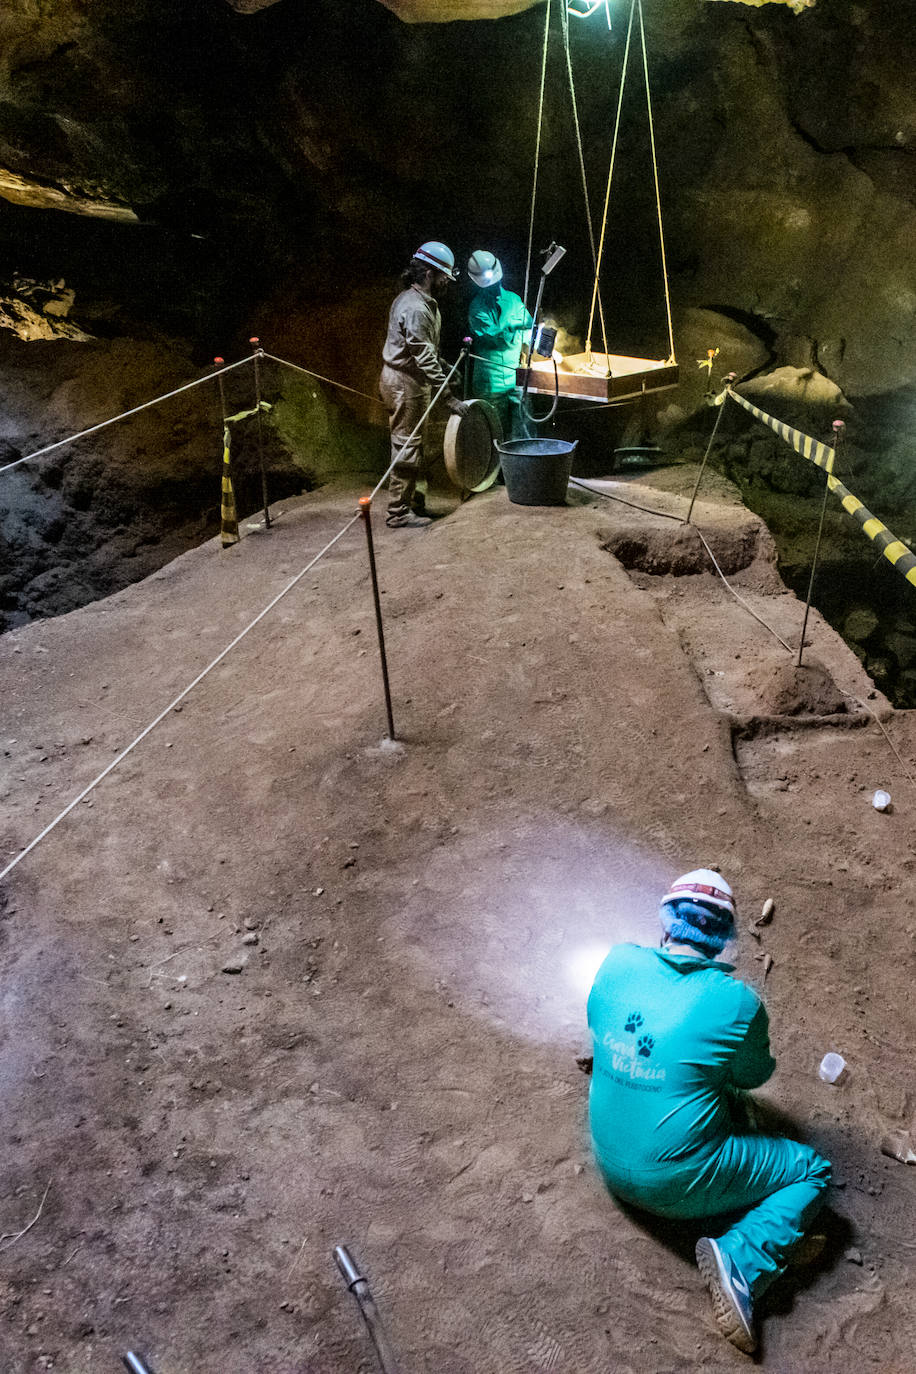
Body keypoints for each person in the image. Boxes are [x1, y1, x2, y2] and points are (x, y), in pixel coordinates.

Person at [586, 868, 831, 1355]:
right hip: (671, 1182)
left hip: (608, 1157)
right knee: (812, 1172)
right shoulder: (736, 1002)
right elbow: (751, 1077)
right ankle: (740, 1258)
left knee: (687, 1080)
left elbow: (597, 1024)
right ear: (723, 939)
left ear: (665, 921)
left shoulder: (616, 962)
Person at [379, 241, 468, 529]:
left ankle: (412, 502)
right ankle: (398, 512)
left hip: (410, 380)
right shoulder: (416, 308)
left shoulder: (414, 300)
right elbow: (423, 357)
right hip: (405, 383)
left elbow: (425, 351)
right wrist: (448, 396)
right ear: (429, 273)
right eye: (443, 275)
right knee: (407, 445)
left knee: (414, 444)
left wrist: (443, 368)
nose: (446, 281)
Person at [466, 250, 534, 441]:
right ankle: (497, 470)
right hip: (490, 384)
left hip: (516, 378)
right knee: (495, 434)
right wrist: (513, 325)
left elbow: (529, 327)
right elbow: (494, 337)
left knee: (524, 430)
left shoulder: (513, 299)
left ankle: (525, 467)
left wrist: (534, 340)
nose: (493, 285)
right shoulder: (477, 308)